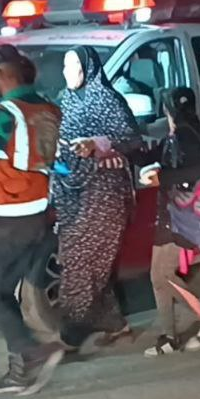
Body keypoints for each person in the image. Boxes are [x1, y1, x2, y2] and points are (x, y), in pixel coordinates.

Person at [0, 44, 67, 395]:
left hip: (8, 219)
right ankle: (21, 370)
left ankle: (34, 350)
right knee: (2, 292)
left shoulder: (2, 114)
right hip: (37, 214)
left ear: (0, 73)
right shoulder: (48, 108)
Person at [51, 46, 143, 350]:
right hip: (71, 189)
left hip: (105, 192)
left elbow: (133, 139)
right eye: (65, 66)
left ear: (88, 68)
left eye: (74, 65)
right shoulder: (65, 101)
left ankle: (71, 332)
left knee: (83, 261)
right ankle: (115, 324)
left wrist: (96, 143)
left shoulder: (106, 99)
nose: (68, 72)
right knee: (81, 259)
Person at [134, 88, 200, 356]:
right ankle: (169, 337)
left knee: (163, 275)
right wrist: (118, 148)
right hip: (170, 213)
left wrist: (162, 179)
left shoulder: (185, 134)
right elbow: (150, 157)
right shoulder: (176, 136)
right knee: (157, 276)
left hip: (181, 216)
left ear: (169, 110)